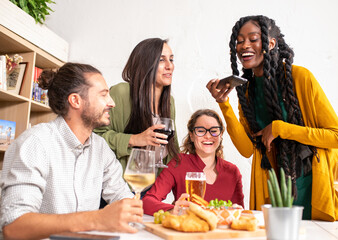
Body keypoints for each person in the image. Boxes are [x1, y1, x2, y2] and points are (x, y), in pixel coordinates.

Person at [206, 15, 338, 221]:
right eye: (240, 40)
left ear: (270, 44)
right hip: (278, 189)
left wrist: (280, 128)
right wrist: (223, 103)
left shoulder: (300, 78)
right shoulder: (247, 91)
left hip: (317, 182)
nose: (244, 45)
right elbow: (246, 149)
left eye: (253, 39)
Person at [0, 63, 143, 239]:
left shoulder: (100, 148)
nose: (111, 103)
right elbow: (14, 227)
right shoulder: (35, 143)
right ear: (75, 100)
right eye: (104, 95)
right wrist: (96, 219)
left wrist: (167, 215)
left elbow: (124, 201)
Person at [94, 38, 179, 176]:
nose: (170, 66)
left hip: (152, 186)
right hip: (119, 187)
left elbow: (172, 147)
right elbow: (95, 136)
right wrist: (135, 139)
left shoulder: (169, 102)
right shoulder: (121, 92)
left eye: (171, 59)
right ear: (146, 64)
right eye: (161, 60)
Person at [142, 109, 244, 215]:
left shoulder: (233, 171)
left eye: (214, 131)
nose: (208, 136)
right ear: (191, 135)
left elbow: (240, 213)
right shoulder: (178, 163)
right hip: (189, 228)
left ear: (221, 134)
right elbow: (147, 201)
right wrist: (175, 210)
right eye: (200, 131)